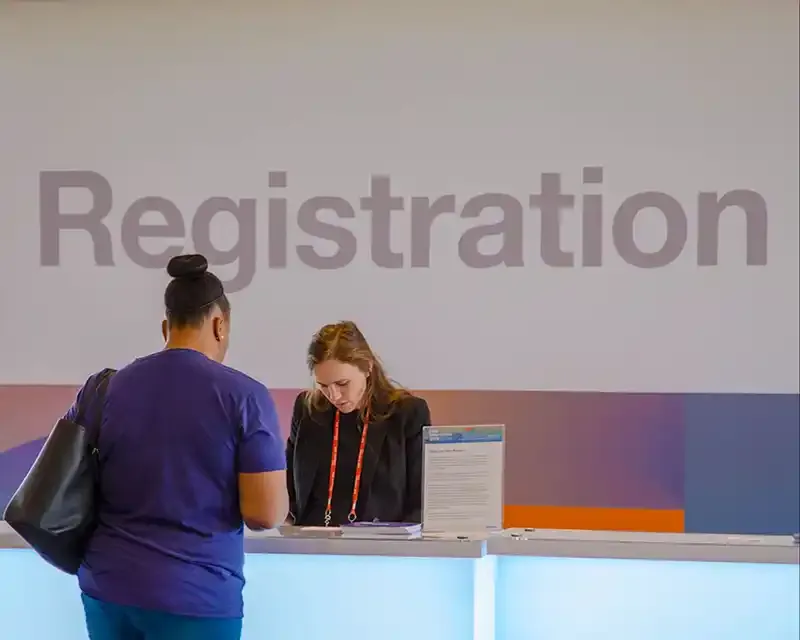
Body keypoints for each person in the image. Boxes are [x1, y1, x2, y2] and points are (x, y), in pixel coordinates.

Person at [70, 254, 288, 640]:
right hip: (194, 597)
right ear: (220, 325)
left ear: (165, 327)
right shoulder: (245, 396)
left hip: (106, 588)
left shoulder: (103, 388)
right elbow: (264, 513)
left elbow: (72, 476)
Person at [286, 320, 431, 526]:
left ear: (367, 367)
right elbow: (288, 488)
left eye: (342, 384)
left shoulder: (407, 414)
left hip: (380, 542)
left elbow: (420, 502)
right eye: (323, 386)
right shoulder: (307, 410)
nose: (334, 396)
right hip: (312, 539)